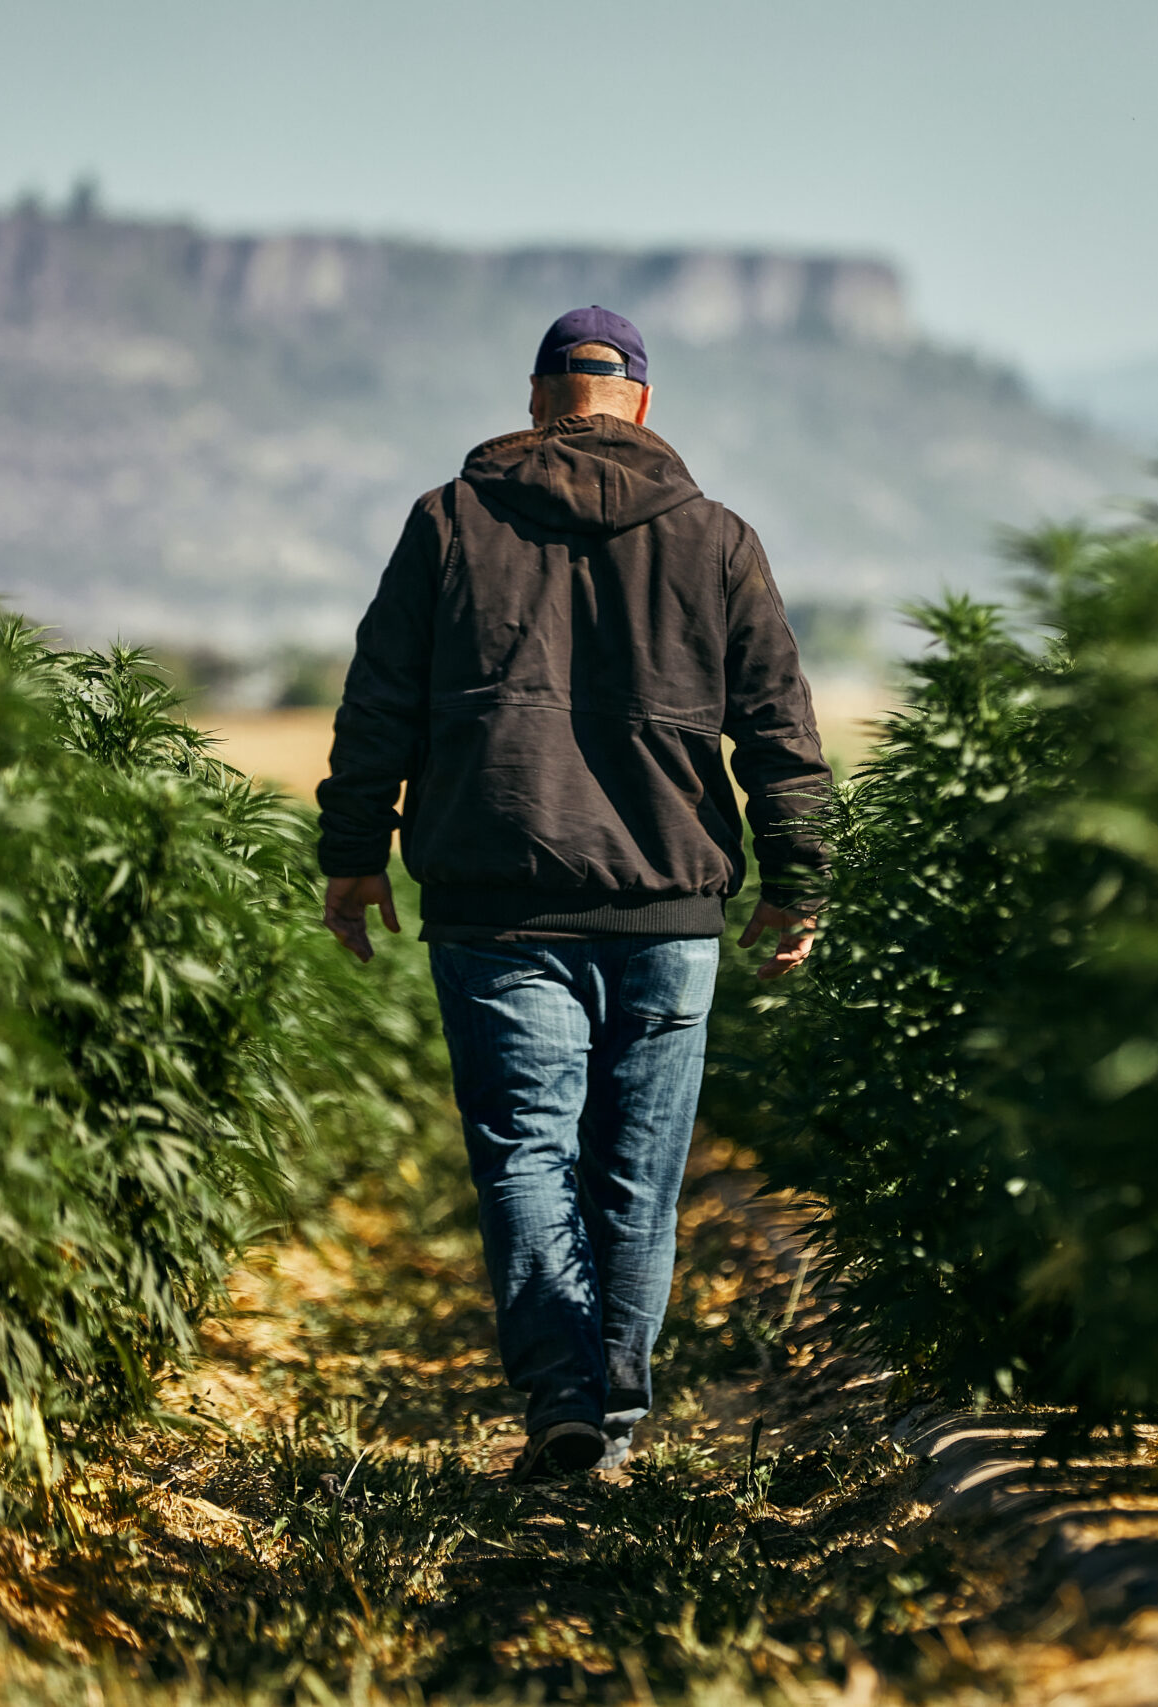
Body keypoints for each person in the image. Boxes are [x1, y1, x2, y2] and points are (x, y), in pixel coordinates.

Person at [315, 305, 830, 1482]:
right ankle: (617, 1421)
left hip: (498, 906)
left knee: (525, 1154)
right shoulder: (719, 540)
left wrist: (353, 857)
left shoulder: (449, 522)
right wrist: (799, 880)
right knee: (638, 1174)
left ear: (539, 396)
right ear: (641, 404)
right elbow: (780, 731)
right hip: (668, 913)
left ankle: (563, 1395)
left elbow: (377, 704)